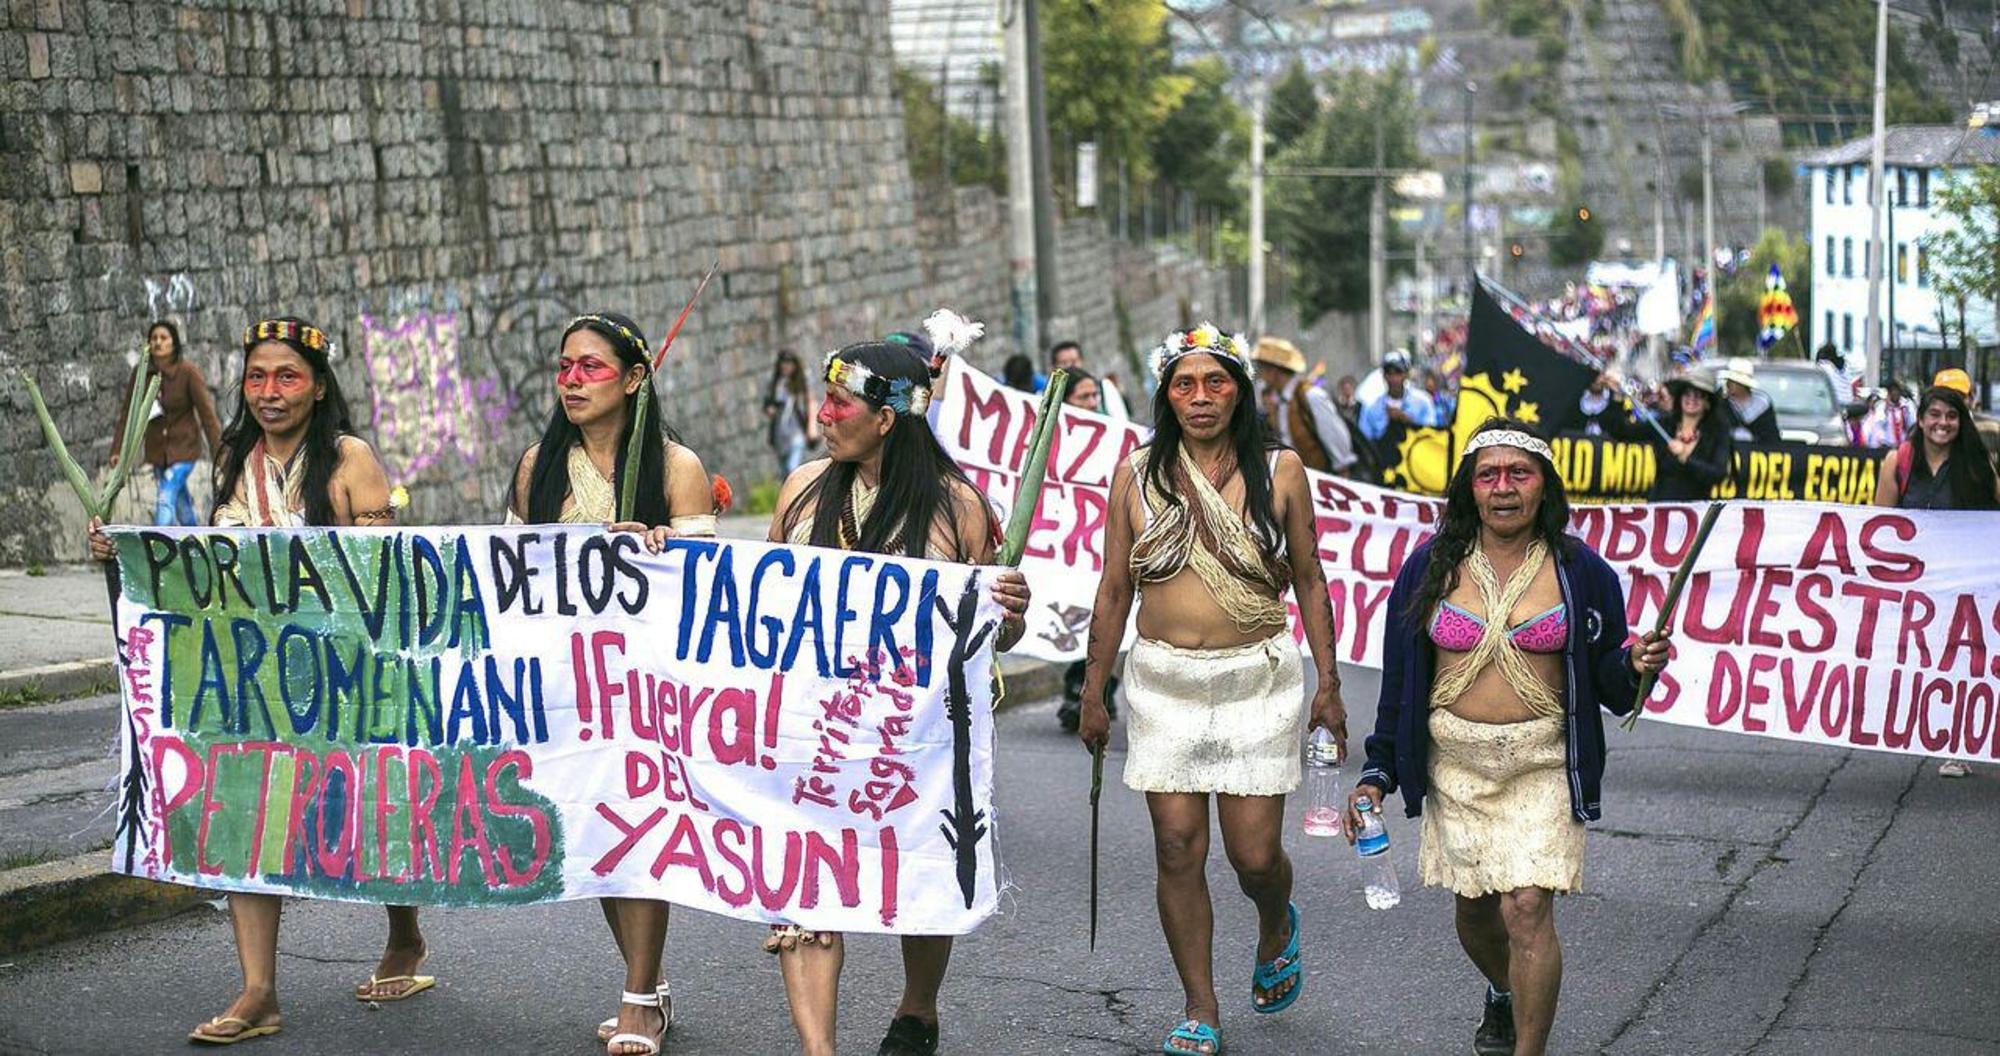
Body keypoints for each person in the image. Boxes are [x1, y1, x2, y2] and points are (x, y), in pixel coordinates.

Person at [89, 317, 423, 1045]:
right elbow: (206, 563)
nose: (269, 393)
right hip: (256, 675)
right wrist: (123, 552)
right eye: (257, 378)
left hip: (345, 670)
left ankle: (405, 933)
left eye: (288, 377)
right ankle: (259, 990)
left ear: (319, 385)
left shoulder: (348, 460)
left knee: (371, 809)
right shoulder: (235, 456)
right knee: (243, 811)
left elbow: (380, 576)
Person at [1346, 418, 1670, 1056]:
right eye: (1488, 474)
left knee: (1526, 908)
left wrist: (1634, 665)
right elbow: (1401, 683)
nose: (1503, 488)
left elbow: (1609, 681)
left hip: (1544, 764)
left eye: (1518, 473)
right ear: (1468, 487)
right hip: (1457, 767)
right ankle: (1504, 991)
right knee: (1476, 914)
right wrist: (1377, 773)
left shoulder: (1583, 573)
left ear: (1543, 486)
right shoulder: (1426, 570)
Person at [1077, 324, 1348, 1056]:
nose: (1201, 398)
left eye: (1216, 382)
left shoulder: (1281, 469)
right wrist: (1093, 691)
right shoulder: (1136, 473)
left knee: (1255, 858)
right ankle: (1200, 1005)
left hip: (1257, 678)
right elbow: (1113, 587)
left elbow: (1311, 579)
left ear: (1239, 389)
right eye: (1185, 385)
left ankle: (1274, 919)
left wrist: (1329, 686)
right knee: (1176, 847)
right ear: (1166, 395)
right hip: (1162, 680)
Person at [767, 324, 1030, 1056]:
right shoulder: (800, 493)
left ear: (887, 419)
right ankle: (820, 1051)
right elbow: (759, 609)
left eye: (839, 406)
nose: (823, 416)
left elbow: (995, 635)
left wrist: (1011, 610)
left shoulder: (957, 507)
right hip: (810, 730)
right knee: (804, 880)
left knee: (917, 869)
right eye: (823, 402)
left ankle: (917, 1007)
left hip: (914, 738)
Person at [507, 312, 717, 1056]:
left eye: (590, 368)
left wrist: (662, 553)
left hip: (650, 691)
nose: (571, 380)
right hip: (567, 685)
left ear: (634, 379)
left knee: (643, 829)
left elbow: (709, 600)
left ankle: (637, 998)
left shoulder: (675, 468)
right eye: (563, 367)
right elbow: (514, 579)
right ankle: (647, 976)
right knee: (595, 835)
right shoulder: (538, 466)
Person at [1873, 384, 2000, 772]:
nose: (1942, 424)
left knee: (1960, 662)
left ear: (1961, 423)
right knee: (1919, 659)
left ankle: (1958, 747)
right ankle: (1918, 727)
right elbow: (1879, 523)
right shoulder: (1897, 462)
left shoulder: (1976, 466)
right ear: (1922, 418)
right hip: (1916, 587)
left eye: (1951, 416)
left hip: (1963, 587)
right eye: (1935, 415)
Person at [109, 319, 223, 525]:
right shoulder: (141, 373)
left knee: (166, 496)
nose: (158, 343)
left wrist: (220, 454)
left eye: (164, 338)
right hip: (157, 452)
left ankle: (160, 546)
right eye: (154, 338)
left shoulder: (188, 372)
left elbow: (207, 415)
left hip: (184, 450)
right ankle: (197, 545)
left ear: (174, 343)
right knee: (180, 503)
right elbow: (128, 414)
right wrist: (117, 450)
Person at [1597, 367, 1735, 501]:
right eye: (1687, 393)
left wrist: (1686, 458)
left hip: (1697, 513)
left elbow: (1718, 475)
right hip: (1662, 509)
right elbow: (1621, 432)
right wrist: (1617, 397)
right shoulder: (1665, 425)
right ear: (1680, 397)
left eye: (1699, 395)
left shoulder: (1717, 432)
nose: (1692, 399)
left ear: (1708, 403)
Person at [1250, 335, 1359, 477]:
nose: (1260, 376)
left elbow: (1340, 450)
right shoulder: (1279, 402)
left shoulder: (1311, 397)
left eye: (1262, 369)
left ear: (1273, 371)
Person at [1359, 351, 1442, 473]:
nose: (1393, 379)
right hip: (1383, 470)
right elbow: (1365, 443)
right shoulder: (1371, 407)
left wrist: (1407, 420)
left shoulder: (1423, 402)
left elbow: (1432, 435)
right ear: (1384, 376)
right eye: (1389, 373)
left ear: (1406, 374)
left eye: (1398, 373)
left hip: (1415, 470)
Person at [764, 349, 820, 476]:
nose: (786, 366)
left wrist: (812, 427)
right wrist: (770, 409)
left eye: (789, 363)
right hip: (780, 434)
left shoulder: (803, 379)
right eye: (783, 363)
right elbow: (767, 403)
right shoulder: (775, 383)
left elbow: (811, 402)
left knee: (792, 468)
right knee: (785, 473)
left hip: (797, 430)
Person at [1051, 338, 1130, 420]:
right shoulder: (1047, 395)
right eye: (1064, 363)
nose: (1070, 366)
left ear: (1081, 361)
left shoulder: (1104, 387)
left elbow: (1122, 422)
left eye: (1074, 361)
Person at [1717, 358, 1780, 444]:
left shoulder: (1762, 405)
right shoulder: (1721, 404)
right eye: (1727, 380)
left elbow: (1772, 438)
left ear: (1743, 385)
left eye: (1732, 381)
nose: (1727, 383)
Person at [1864, 378, 1918, 447]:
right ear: (1889, 393)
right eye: (1892, 391)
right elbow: (1878, 426)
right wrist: (1886, 409)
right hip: (1887, 445)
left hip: (1903, 444)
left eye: (1897, 390)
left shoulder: (1907, 406)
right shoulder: (1881, 407)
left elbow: (1912, 424)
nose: (1895, 393)